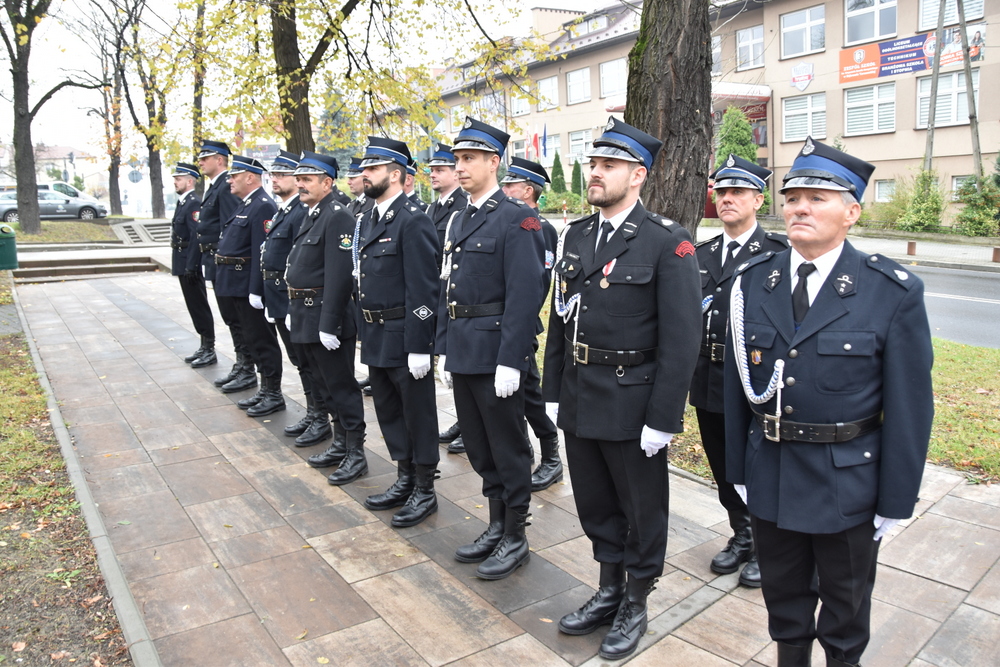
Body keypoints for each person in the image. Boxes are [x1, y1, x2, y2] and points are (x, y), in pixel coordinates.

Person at [724, 137, 934, 667]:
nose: (800, 206)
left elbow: (911, 407)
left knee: (845, 609)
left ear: (852, 212)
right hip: (770, 471)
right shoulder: (753, 283)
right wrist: (738, 471)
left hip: (848, 482)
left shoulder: (890, 290)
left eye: (818, 197)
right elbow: (735, 390)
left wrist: (896, 500)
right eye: (793, 196)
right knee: (785, 603)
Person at [542, 117, 701, 661]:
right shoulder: (580, 235)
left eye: (607, 165)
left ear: (637, 175)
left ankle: (636, 596)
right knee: (594, 502)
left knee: (641, 507)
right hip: (581, 391)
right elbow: (563, 319)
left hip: (633, 399)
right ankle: (608, 588)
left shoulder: (666, 242)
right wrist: (554, 388)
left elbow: (682, 339)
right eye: (593, 163)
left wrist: (664, 417)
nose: (594, 173)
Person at [436, 117, 545, 580]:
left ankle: (516, 534)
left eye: (468, 159)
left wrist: (511, 359)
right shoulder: (462, 216)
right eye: (457, 159)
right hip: (463, 347)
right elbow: (447, 286)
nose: (459, 167)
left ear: (493, 161)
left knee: (508, 445)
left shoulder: (516, 217)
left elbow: (526, 295)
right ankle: (496, 523)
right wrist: (442, 346)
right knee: (479, 446)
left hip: (496, 351)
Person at [689, 154, 788, 588]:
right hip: (709, 377)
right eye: (722, 191)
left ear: (757, 199)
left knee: (761, 467)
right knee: (723, 464)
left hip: (755, 382)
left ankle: (770, 545)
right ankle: (742, 534)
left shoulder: (777, 254)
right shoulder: (702, 253)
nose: (727, 199)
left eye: (738, 192)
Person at [354, 137, 441, 527]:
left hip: (405, 335)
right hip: (375, 334)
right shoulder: (369, 218)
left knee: (417, 413)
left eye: (371, 169)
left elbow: (424, 287)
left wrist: (421, 345)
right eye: (364, 168)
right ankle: (404, 476)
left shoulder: (412, 219)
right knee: (389, 411)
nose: (363, 174)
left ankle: (424, 488)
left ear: (395, 174)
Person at [285, 152, 368, 485]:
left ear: (327, 183)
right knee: (323, 386)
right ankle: (339, 443)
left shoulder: (338, 216)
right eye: (299, 179)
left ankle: (355, 453)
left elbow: (340, 274)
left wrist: (329, 323)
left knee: (342, 388)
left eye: (307, 179)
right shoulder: (311, 214)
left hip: (324, 317)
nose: (300, 184)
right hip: (305, 313)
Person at [255, 151, 334, 446]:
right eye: (273, 175)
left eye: (283, 175)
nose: (276, 180)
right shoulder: (286, 210)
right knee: (300, 362)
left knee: (310, 363)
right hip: (282, 298)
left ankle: (319, 416)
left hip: (297, 301)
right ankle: (315, 412)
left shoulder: (302, 211)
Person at [500, 156, 562, 492]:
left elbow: (537, 283)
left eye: (510, 184)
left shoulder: (540, 227)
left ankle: (551, 456)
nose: (504, 188)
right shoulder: (505, 220)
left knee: (529, 393)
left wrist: (520, 324)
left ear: (528, 190)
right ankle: (523, 452)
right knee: (515, 395)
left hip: (521, 327)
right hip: (498, 325)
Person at [214, 156, 284, 416]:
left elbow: (260, 251)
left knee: (262, 340)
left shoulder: (262, 206)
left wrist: (257, 289)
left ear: (250, 177)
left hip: (247, 285)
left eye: (235, 175)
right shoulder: (246, 204)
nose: (230, 180)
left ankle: (273, 392)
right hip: (234, 283)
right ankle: (264, 389)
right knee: (250, 338)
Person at [195, 140, 253, 392]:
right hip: (216, 262)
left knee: (237, 319)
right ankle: (242, 365)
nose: (200, 162)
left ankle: (246, 367)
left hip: (226, 264)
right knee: (231, 318)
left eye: (205, 158)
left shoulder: (224, 187)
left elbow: (232, 228)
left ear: (220, 160)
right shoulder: (215, 186)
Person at [425, 142, 470, 454]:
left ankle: (469, 423)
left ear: (455, 174)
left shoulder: (461, 208)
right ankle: (463, 419)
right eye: (431, 170)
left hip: (455, 295)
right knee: (447, 363)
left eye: (440, 169)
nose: (433, 174)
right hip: (434, 294)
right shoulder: (433, 208)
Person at [170, 162, 215, 368]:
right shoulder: (183, 202)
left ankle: (209, 347)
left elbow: (196, 237)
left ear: (190, 181)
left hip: (190, 263)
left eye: (178, 179)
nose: (175, 182)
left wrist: (191, 265)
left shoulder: (193, 203)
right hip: (182, 260)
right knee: (192, 305)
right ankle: (203, 345)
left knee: (198, 305)